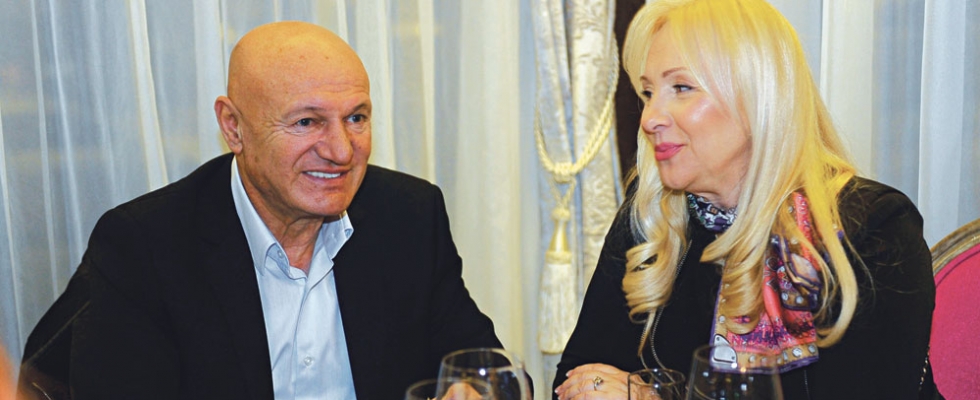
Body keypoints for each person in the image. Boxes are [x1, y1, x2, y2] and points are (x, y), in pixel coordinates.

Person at [18, 21, 506, 399]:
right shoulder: (145, 247)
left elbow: (481, 362)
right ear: (233, 127)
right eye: (307, 122)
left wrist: (473, 388)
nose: (341, 150)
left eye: (356, 117)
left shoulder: (409, 216)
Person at [553, 0, 940, 399]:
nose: (650, 117)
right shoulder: (652, 216)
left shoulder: (873, 229)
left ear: (759, 98)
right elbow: (573, 381)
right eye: (648, 92)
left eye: (681, 88)